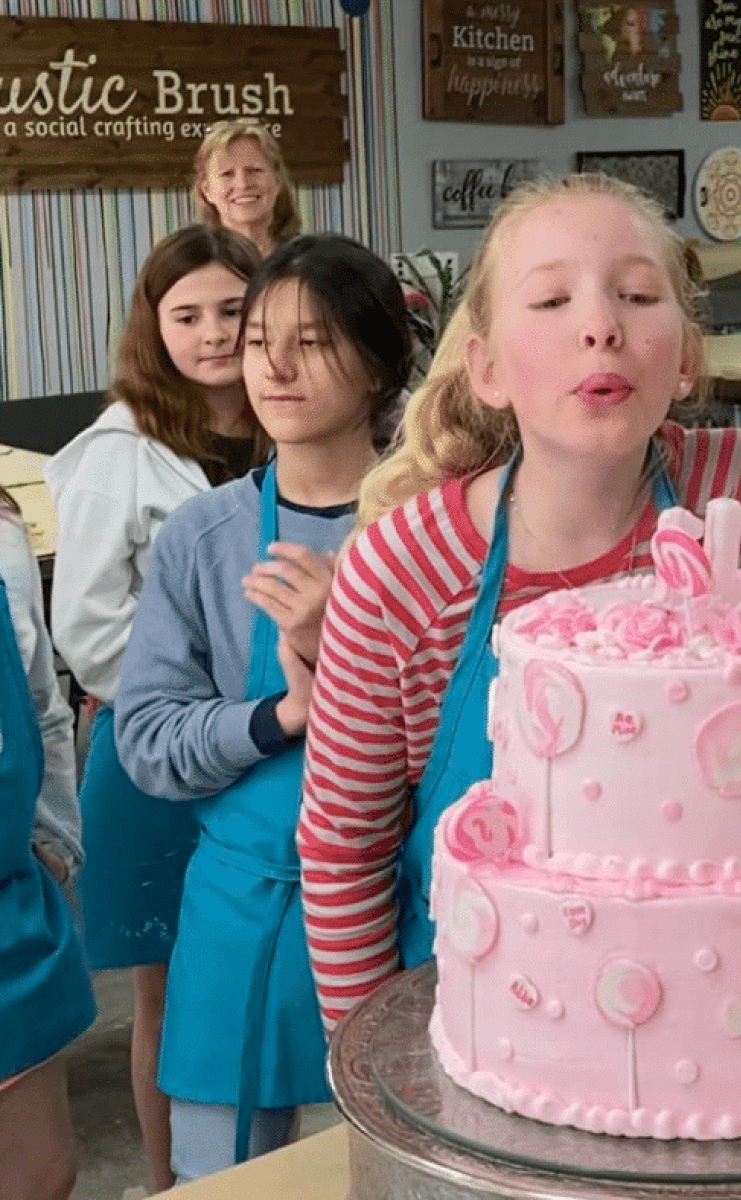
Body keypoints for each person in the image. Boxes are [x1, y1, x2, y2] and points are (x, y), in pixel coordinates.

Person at [296, 172, 741, 1033]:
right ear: (488, 370)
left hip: (733, 1020)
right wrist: (376, 1070)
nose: (601, 325)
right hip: (482, 1029)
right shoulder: (402, 571)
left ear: (685, 356)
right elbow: (343, 852)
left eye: (639, 294)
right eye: (550, 300)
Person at [114, 233, 412, 1182]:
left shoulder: (435, 528)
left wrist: (347, 651)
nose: (274, 366)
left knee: (391, 1165)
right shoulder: (205, 534)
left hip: (397, 913)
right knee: (223, 1173)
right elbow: (147, 740)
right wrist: (279, 715)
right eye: (258, 338)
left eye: (315, 341)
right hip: (237, 914)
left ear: (378, 366)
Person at [44, 224, 265, 1192]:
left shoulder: (299, 420)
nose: (213, 333)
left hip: (280, 743)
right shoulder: (117, 450)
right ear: (154, 326)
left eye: (233, 309)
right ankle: (176, 1182)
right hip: (157, 751)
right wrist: (220, 694)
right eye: (187, 315)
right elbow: (88, 629)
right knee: (169, 991)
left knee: (280, 974)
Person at [0, 485, 96, 1200]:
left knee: (39, 1170)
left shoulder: (3, 536)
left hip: (11, 913)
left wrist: (54, 835)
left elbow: (40, 704)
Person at [192, 119, 301, 256]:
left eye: (255, 170)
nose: (243, 184)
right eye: (227, 174)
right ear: (207, 190)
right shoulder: (192, 265)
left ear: (277, 181)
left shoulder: (309, 261)